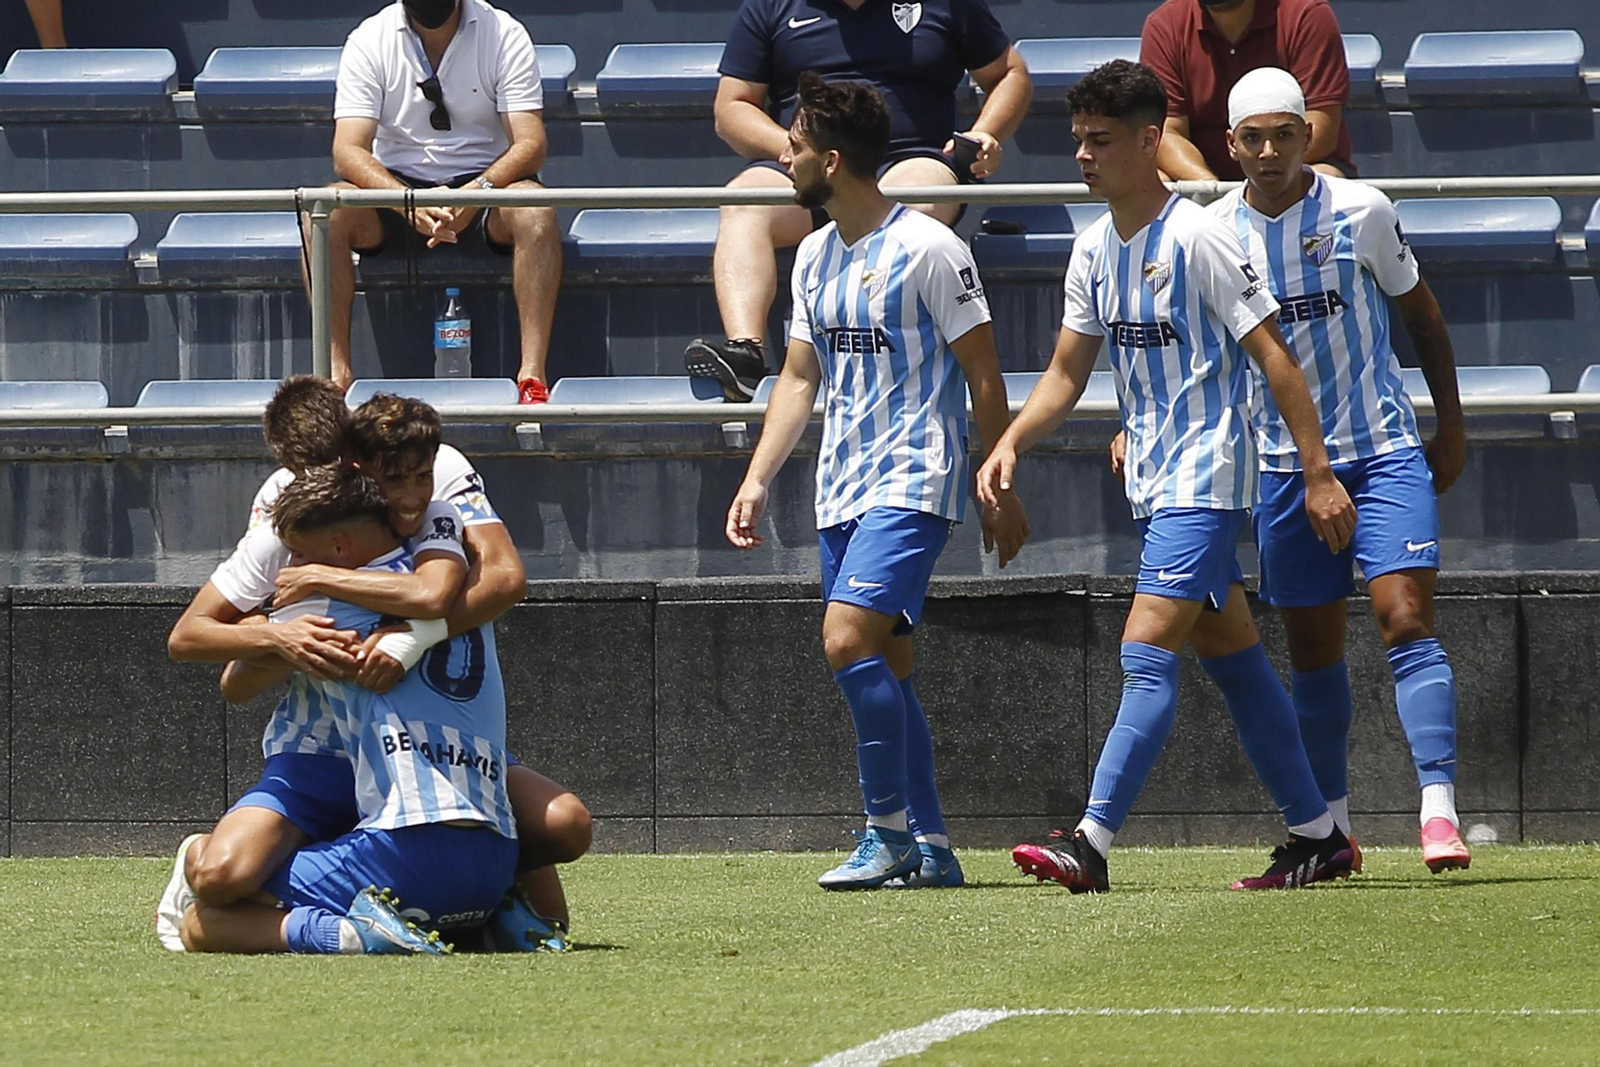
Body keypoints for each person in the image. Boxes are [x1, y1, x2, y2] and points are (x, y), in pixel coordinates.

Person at [977, 60, 1355, 893]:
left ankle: (1092, 837)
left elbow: (1275, 358)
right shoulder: (1091, 248)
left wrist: (1319, 471)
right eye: (1077, 139)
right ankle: (1319, 831)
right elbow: (1066, 376)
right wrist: (1010, 443)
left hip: (1208, 475)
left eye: (1099, 141)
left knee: (1145, 648)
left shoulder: (1204, 234)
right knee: (1238, 662)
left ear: (1152, 142)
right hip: (1153, 482)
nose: (1082, 155)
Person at [724, 73, 1027, 890]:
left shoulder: (932, 248)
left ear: (829, 159)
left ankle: (884, 830)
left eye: (791, 145)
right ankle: (931, 845)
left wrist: (994, 479)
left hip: (913, 477)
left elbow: (985, 376)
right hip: (840, 485)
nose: (782, 156)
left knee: (845, 639)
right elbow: (797, 378)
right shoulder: (817, 252)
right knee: (888, 665)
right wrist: (757, 478)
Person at [163, 386, 587, 951]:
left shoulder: (436, 478)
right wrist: (277, 636)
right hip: (318, 740)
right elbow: (210, 655)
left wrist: (412, 636)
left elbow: (499, 580)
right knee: (221, 877)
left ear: (355, 457)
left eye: (337, 474)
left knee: (564, 825)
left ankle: (470, 899)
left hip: (423, 732)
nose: (406, 494)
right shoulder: (291, 511)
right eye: (306, 475)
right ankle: (232, 864)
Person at [1207, 67, 1470, 871]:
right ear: (1231, 144)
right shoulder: (1211, 231)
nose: (1268, 150)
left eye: (1284, 134)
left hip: (1382, 449)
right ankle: (1336, 831)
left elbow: (1421, 318)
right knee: (1313, 652)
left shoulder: (1362, 209)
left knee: (1404, 618)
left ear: (1307, 136)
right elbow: (1204, 352)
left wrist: (1452, 428)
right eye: (1253, 137)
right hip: (1282, 469)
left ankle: (1438, 809)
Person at [178, 466, 521, 955]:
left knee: (206, 916)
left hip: (404, 848)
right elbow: (477, 582)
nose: (290, 565)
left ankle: (351, 935)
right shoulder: (457, 582)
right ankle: (516, 913)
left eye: (298, 553)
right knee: (558, 818)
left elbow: (233, 682)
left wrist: (279, 634)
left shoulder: (324, 610)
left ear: (338, 549)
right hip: (496, 862)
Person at [685, 0, 1034, 401]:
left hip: (911, 159)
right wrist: (804, 148)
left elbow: (1010, 73)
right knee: (745, 202)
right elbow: (731, 107)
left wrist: (983, 134)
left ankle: (883, 350)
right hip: (810, 167)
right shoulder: (772, 6)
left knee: (911, 204)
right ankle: (746, 354)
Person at [313, 0, 563, 401]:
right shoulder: (368, 39)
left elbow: (531, 143)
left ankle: (532, 377)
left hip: (486, 187)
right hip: (395, 188)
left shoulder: (505, 33)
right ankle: (335, 377)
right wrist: (405, 201)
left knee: (535, 210)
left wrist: (477, 193)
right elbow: (348, 150)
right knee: (326, 211)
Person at [1139, 0, 1354, 182]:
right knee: (1152, 185)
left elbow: (1321, 130)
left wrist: (1254, 190)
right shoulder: (1165, 25)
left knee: (1324, 176)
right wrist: (1214, 192)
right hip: (1207, 188)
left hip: (1292, 174)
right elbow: (1166, 133)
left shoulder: (1307, 15)